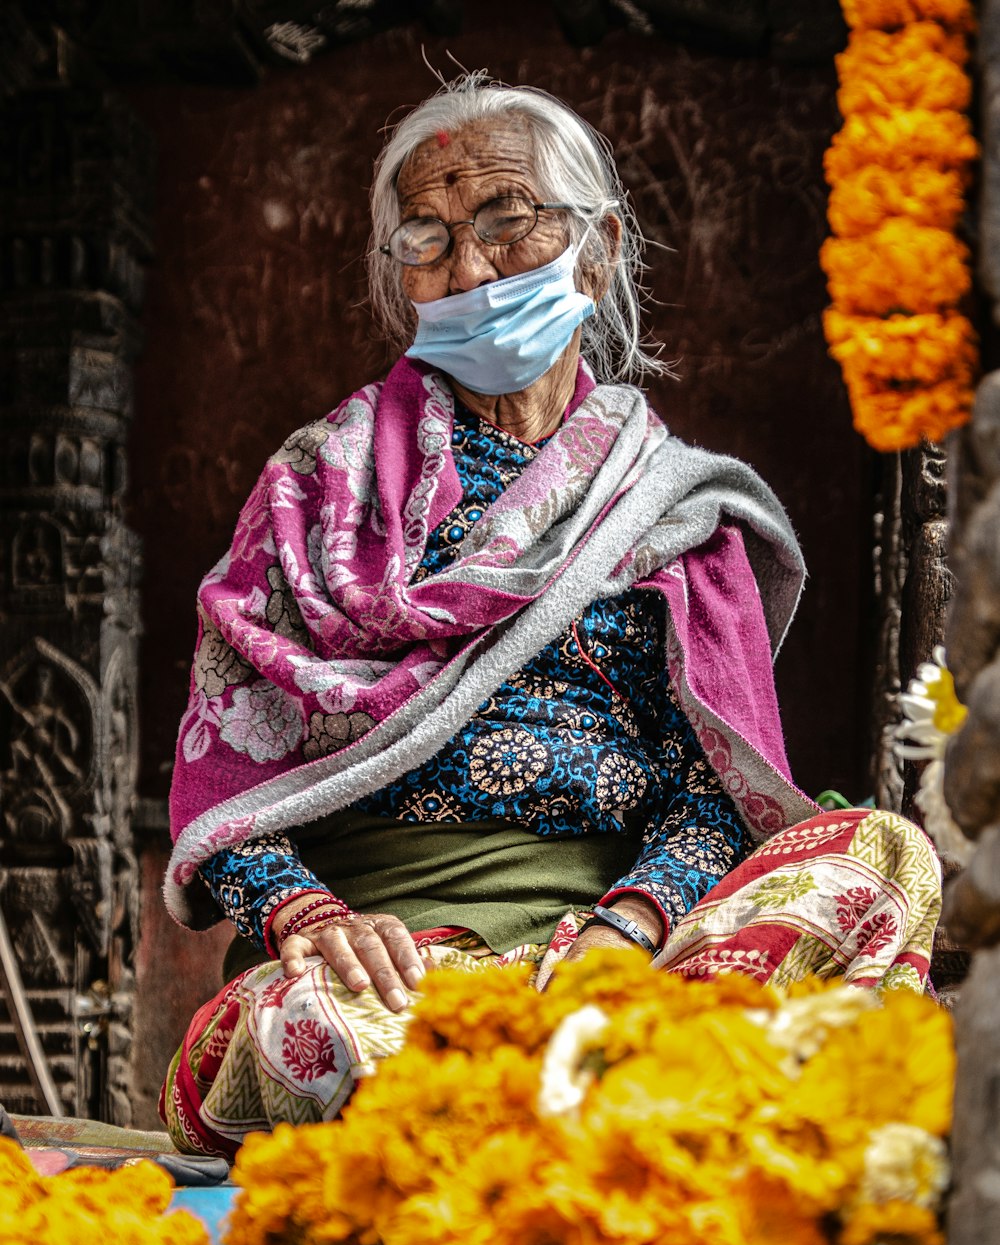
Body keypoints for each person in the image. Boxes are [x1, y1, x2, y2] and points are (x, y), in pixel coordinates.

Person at [160, 75, 941, 1158]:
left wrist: (625, 933)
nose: (469, 270)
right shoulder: (317, 486)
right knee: (301, 1032)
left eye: (505, 222)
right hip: (386, 977)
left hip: (620, 964)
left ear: (601, 246)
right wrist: (314, 921)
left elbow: (714, 793)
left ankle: (554, 1083)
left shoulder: (673, 506)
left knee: (882, 855)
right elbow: (229, 779)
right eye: (427, 239)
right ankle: (617, 1103)